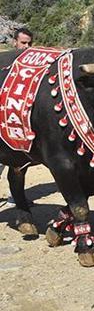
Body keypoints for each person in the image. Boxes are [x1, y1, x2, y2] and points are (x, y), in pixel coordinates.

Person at [1, 27, 34, 207]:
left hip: (15, 124)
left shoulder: (30, 67)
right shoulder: (4, 62)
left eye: (29, 43)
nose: (26, 47)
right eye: (23, 43)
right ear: (14, 42)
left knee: (19, 165)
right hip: (2, 124)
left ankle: (15, 197)